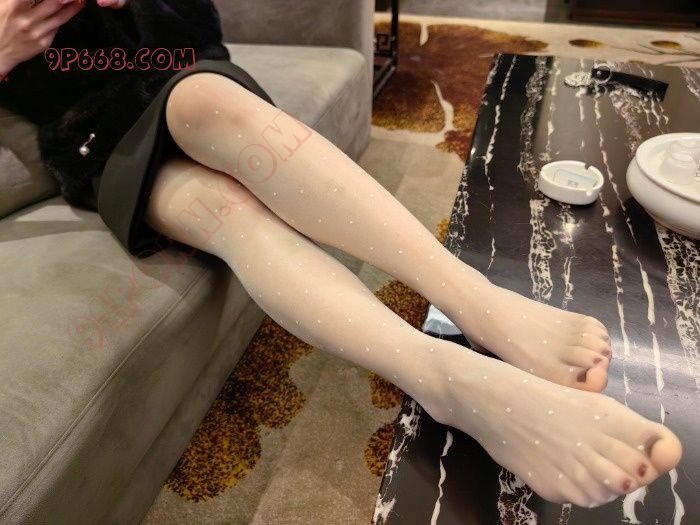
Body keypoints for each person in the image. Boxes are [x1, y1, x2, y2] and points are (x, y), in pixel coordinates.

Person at [0, 0, 682, 509]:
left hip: (191, 87)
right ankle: (446, 379)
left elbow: (199, 30)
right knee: (228, 215)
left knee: (203, 99)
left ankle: (479, 302)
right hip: (95, 142)